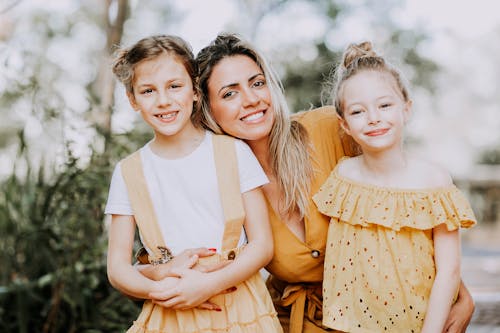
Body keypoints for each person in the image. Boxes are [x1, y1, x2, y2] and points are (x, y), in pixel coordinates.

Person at [141, 33, 476, 333]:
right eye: (230, 93)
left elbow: (404, 199)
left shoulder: (332, 128)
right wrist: (159, 271)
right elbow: (160, 249)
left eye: (257, 83)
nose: (252, 99)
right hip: (291, 321)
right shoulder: (217, 177)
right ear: (207, 108)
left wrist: (460, 295)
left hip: (380, 314)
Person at [105, 34, 282, 332]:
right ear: (133, 99)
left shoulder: (232, 151)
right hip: (170, 314)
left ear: (195, 91)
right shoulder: (128, 172)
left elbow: (262, 244)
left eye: (175, 86)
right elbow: (118, 269)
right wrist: (163, 286)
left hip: (240, 308)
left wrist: (208, 284)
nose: (164, 101)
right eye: (148, 91)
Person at [312, 41, 476, 332]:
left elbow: (449, 270)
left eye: (385, 105)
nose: (374, 118)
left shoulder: (434, 181)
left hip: (420, 324)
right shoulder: (342, 178)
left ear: (406, 109)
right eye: (358, 111)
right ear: (344, 124)